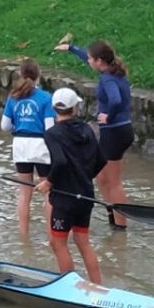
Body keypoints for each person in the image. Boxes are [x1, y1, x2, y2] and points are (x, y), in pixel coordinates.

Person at [56, 32, 134, 230]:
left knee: (114, 182)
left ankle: (121, 224)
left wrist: (108, 115)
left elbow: (115, 100)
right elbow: (88, 58)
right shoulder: (113, 71)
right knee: (100, 176)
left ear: (100, 61)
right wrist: (72, 49)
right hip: (119, 131)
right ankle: (111, 212)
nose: (88, 61)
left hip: (114, 132)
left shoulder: (108, 79)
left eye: (90, 58)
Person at [36, 87, 107, 287]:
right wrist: (84, 177)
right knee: (83, 243)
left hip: (64, 199)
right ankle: (98, 286)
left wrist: (48, 182)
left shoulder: (51, 134)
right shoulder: (87, 129)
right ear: (75, 108)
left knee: (57, 243)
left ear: (54, 109)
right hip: (85, 196)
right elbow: (101, 160)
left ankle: (69, 287)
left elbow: (59, 162)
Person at [0, 58, 56, 239]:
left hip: (21, 146)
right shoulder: (46, 98)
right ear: (39, 76)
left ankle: (23, 237)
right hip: (41, 146)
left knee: (24, 193)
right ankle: (52, 236)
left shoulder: (13, 96)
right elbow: (50, 128)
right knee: (48, 192)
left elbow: (4, 126)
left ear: (20, 75)